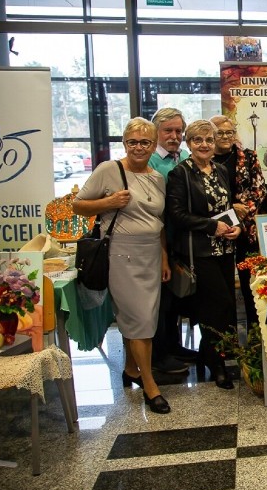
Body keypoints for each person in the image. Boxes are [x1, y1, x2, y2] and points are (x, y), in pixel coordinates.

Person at [73, 117, 172, 414]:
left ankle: (131, 369)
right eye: (133, 142)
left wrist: (164, 256)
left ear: (153, 145)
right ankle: (149, 384)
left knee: (143, 320)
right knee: (140, 320)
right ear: (124, 144)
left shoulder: (156, 176)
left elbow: (160, 222)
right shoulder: (110, 170)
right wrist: (109, 202)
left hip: (151, 253)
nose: (139, 148)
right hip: (121, 255)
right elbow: (77, 205)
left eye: (145, 142)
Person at [166, 120, 242, 390]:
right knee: (216, 306)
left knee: (224, 307)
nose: (205, 145)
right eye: (198, 140)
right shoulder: (180, 174)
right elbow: (176, 215)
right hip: (199, 252)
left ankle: (209, 354)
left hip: (224, 250)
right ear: (189, 143)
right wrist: (212, 226)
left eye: (209, 140)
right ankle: (216, 363)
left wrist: (236, 227)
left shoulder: (220, 170)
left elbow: (227, 206)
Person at [147, 107, 195, 375]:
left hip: (183, 239)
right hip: (159, 239)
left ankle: (175, 346)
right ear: (156, 132)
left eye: (178, 131)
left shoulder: (186, 157)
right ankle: (159, 354)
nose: (174, 135)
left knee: (177, 297)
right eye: (168, 130)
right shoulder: (151, 162)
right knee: (161, 301)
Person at [209, 115, 267, 331]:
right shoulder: (206, 160)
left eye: (229, 132)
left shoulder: (249, 157)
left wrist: (241, 218)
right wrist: (231, 210)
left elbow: (259, 191)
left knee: (250, 286)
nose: (225, 137)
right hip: (218, 233)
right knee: (222, 290)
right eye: (219, 133)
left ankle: (255, 338)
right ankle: (229, 339)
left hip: (247, 231)